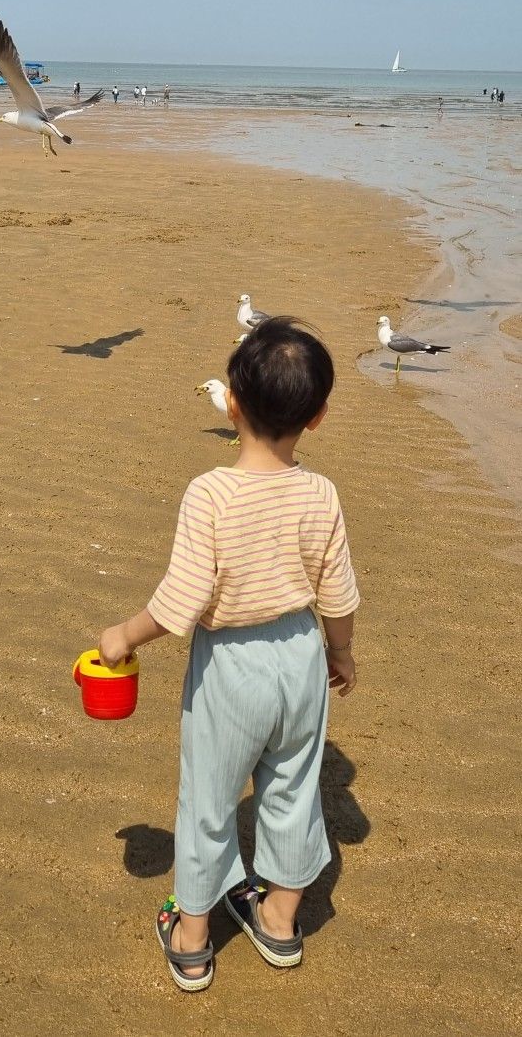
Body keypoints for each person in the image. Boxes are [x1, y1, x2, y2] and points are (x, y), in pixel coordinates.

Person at [99, 317, 359, 994]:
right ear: (319, 416)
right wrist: (342, 652)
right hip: (301, 654)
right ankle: (277, 920)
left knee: (209, 800)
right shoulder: (320, 494)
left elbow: (179, 602)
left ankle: (191, 939)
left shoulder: (210, 493)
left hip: (231, 667)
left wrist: (123, 636)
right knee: (294, 790)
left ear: (233, 405)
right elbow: (338, 593)